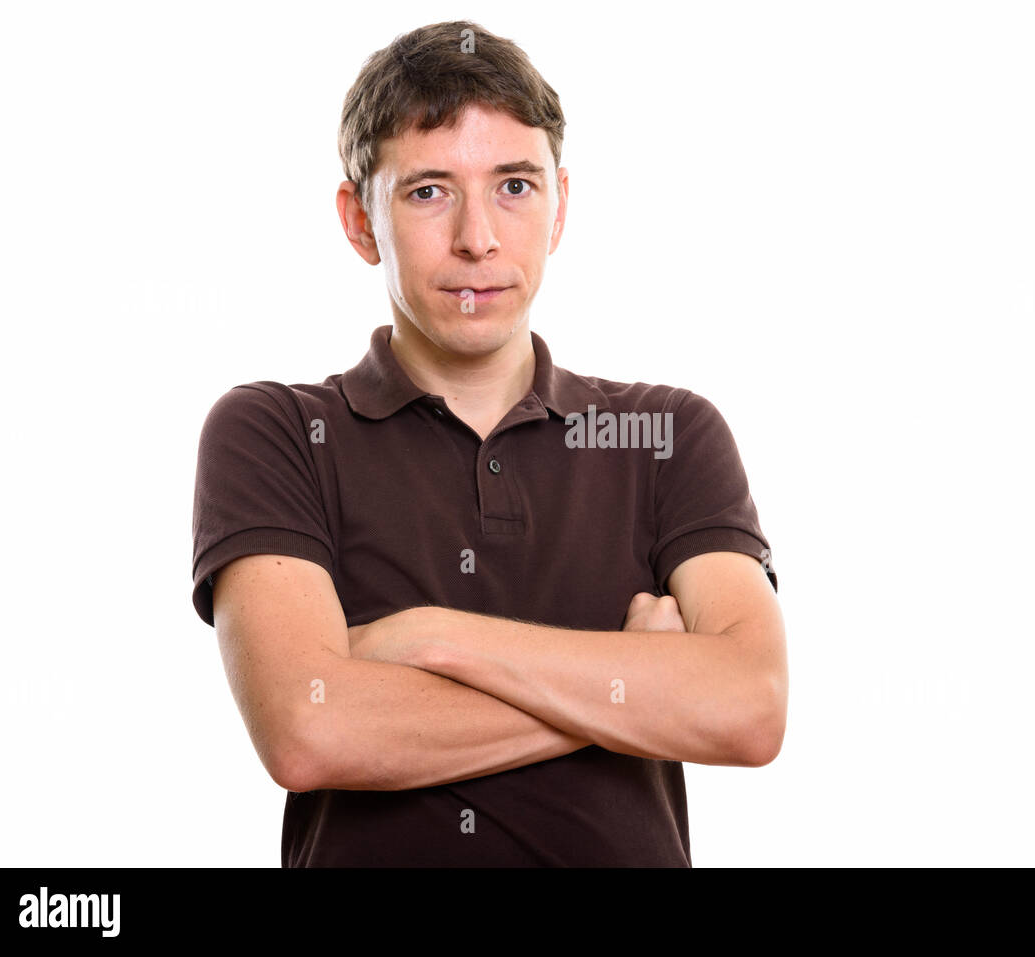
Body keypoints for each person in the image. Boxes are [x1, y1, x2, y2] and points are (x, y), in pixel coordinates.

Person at [190, 19, 786, 867]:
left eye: (514, 185)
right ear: (360, 222)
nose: (479, 237)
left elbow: (750, 706)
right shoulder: (275, 433)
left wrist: (433, 637)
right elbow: (310, 728)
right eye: (429, 190)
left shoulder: (670, 434)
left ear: (560, 206)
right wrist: (636, 684)